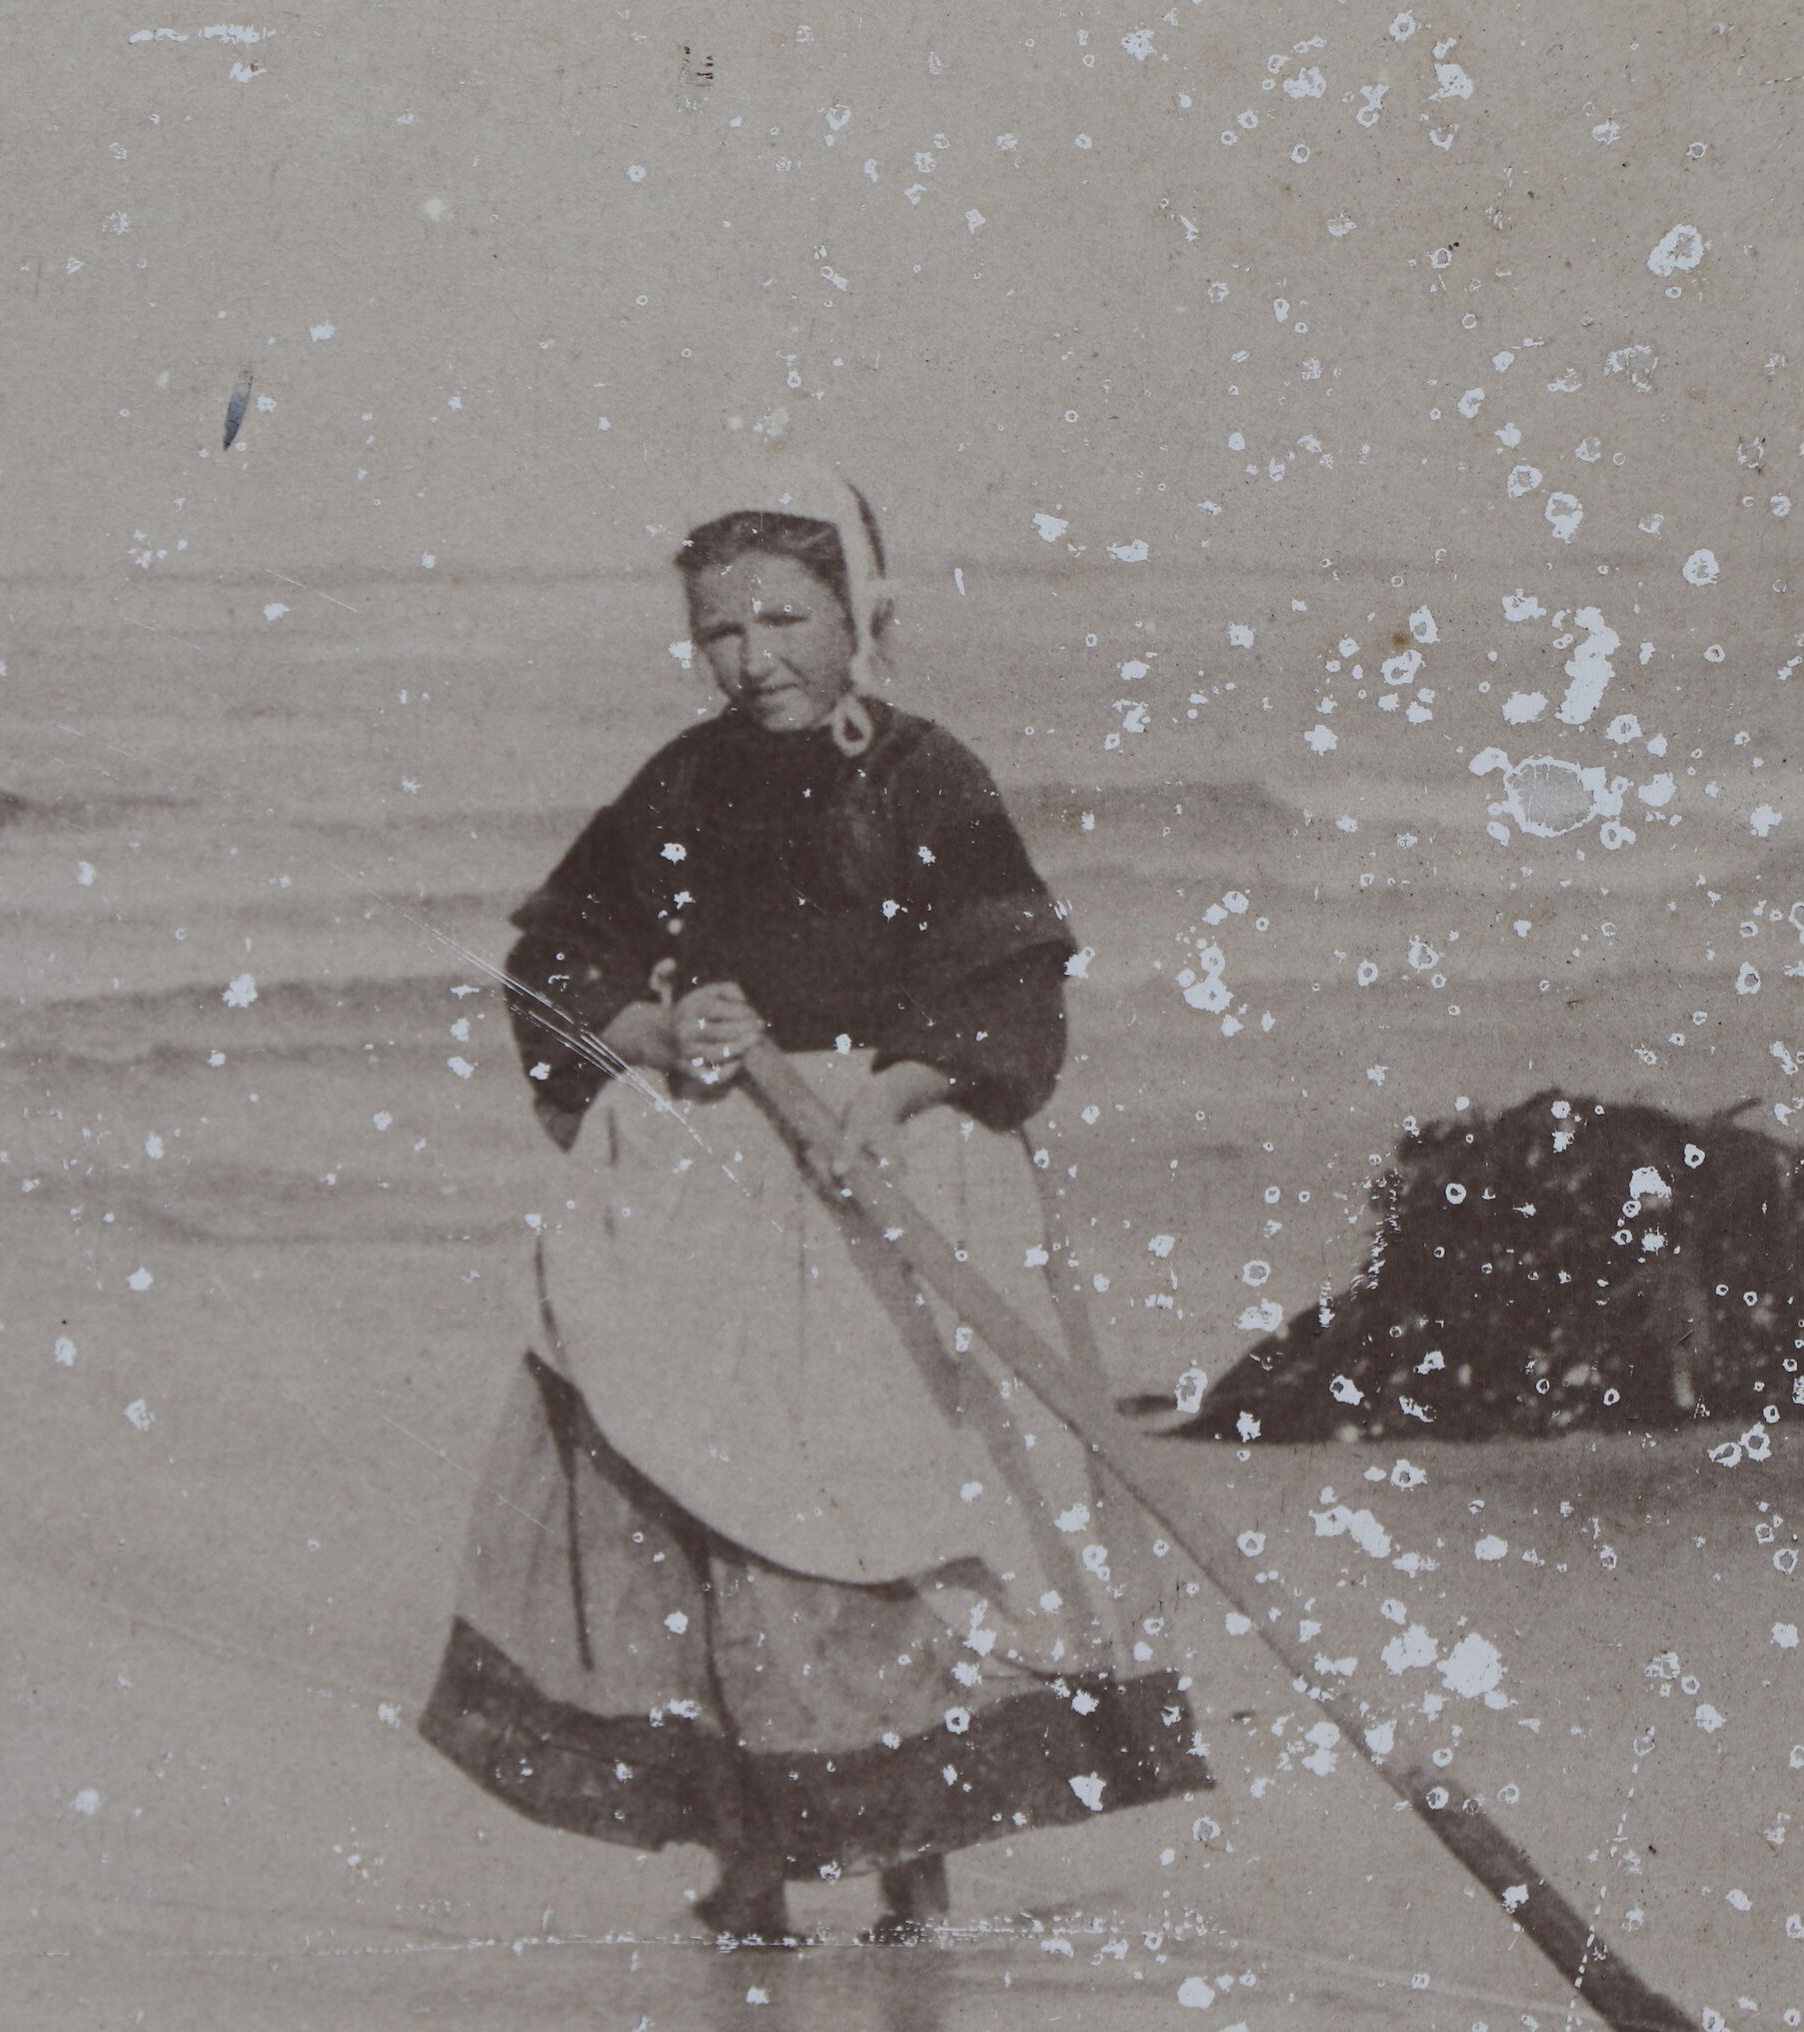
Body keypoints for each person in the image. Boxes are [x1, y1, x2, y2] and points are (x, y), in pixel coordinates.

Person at [417, 489, 1211, 1947]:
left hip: (894, 1170)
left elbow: (1007, 983)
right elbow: (554, 951)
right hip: (721, 1179)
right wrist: (652, 1031)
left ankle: (917, 1869)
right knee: (721, 1506)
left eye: (784, 619)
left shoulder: (925, 777)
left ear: (860, 619)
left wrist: (893, 1094)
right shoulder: (683, 783)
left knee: (896, 1505)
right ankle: (753, 1864)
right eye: (716, 632)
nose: (750, 657)